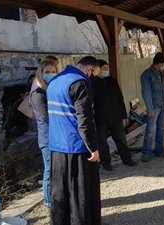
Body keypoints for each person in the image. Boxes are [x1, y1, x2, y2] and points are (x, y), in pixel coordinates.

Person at [47, 56, 101, 225]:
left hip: (56, 146)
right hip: (77, 148)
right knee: (79, 194)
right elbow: (84, 121)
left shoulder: (55, 81)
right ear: (89, 70)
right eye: (94, 75)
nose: (93, 79)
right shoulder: (81, 84)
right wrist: (93, 148)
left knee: (60, 192)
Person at [92, 59, 137, 171]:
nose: (106, 70)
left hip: (115, 117)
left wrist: (123, 113)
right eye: (104, 68)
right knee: (102, 142)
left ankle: (127, 160)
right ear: (98, 69)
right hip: (100, 118)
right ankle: (106, 163)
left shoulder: (112, 81)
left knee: (121, 140)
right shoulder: (93, 83)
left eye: (107, 68)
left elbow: (119, 97)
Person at [30, 59, 58, 208]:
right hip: (47, 138)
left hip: (55, 137)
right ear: (40, 73)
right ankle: (48, 201)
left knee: (55, 170)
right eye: (47, 72)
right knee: (49, 170)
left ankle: (57, 198)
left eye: (54, 71)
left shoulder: (49, 89)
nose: (51, 74)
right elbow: (46, 119)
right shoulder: (38, 93)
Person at [140, 52, 164, 162]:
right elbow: (146, 92)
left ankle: (159, 150)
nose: (163, 66)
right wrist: (150, 109)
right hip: (154, 107)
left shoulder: (162, 74)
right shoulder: (146, 75)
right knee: (150, 130)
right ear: (157, 64)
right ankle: (147, 152)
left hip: (163, 105)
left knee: (161, 129)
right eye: (162, 64)